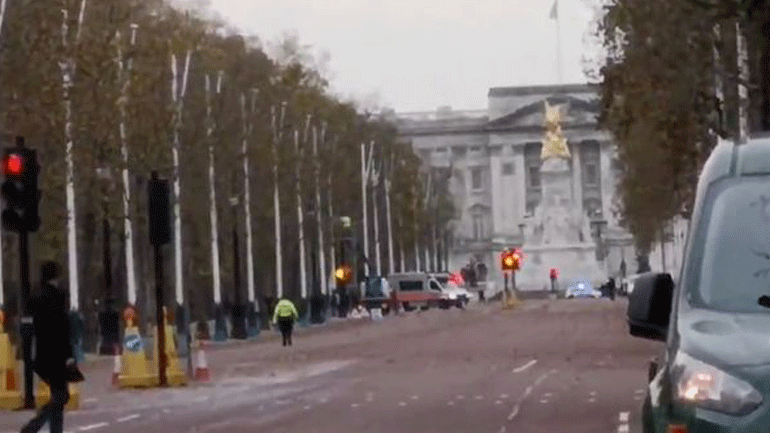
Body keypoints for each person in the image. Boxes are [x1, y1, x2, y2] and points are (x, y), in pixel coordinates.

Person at [22, 261, 76, 433]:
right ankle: (34, 426)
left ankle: (54, 430)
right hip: (57, 354)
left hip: (42, 353)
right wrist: (69, 354)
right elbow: (62, 327)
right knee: (62, 396)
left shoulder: (35, 296)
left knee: (57, 395)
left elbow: (30, 325)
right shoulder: (58, 295)